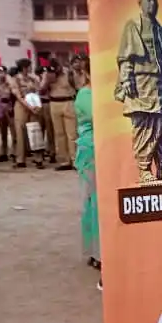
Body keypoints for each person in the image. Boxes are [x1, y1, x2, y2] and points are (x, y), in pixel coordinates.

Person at [114, 0, 162, 184]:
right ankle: (144, 168)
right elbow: (126, 57)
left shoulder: (161, 31)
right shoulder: (133, 26)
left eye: (155, 0)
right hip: (141, 83)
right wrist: (126, 80)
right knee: (145, 127)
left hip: (161, 84)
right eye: (148, 0)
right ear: (140, 3)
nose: (152, 4)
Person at [73, 57, 101, 284]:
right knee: (92, 201)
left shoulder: (103, 93)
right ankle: (95, 253)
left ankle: (100, 251)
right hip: (91, 151)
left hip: (104, 151)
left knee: (102, 203)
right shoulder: (85, 95)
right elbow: (98, 117)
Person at [43, 58, 76, 169]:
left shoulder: (69, 73)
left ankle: (75, 159)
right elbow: (41, 91)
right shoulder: (47, 74)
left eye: (56, 67)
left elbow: (76, 86)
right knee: (59, 134)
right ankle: (64, 161)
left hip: (68, 101)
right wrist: (48, 80)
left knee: (71, 133)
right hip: (54, 102)